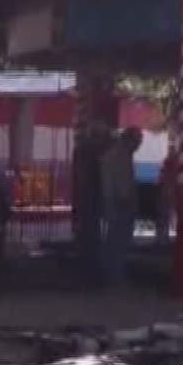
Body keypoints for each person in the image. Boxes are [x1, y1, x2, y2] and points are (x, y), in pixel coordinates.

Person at [99, 127, 141, 287]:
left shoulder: (123, 156)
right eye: (137, 141)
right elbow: (111, 183)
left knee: (118, 240)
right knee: (116, 241)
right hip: (118, 201)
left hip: (122, 201)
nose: (138, 146)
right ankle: (113, 276)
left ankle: (115, 275)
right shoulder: (116, 156)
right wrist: (111, 202)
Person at [71, 123, 106, 285]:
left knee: (87, 233)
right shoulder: (88, 153)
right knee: (89, 234)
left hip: (84, 197)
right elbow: (85, 176)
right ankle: (88, 271)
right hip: (88, 198)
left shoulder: (82, 152)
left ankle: (86, 268)